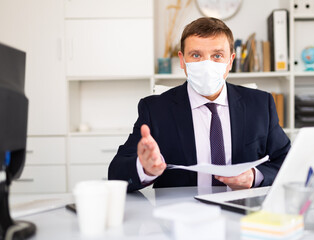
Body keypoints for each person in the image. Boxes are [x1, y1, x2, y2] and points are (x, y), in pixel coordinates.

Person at [108, 17, 291, 192]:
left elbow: (286, 160)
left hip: (242, 212)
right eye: (196, 55)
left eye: (217, 55)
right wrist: (145, 168)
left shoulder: (260, 104)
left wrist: (255, 176)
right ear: (182, 60)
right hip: (181, 214)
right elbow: (116, 174)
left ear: (230, 61)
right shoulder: (155, 109)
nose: (206, 65)